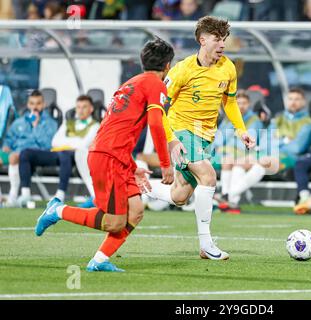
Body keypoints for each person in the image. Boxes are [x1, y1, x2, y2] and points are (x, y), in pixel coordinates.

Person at [34, 38, 185, 272]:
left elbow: (117, 127)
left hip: (114, 154)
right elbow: (156, 123)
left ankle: (100, 260)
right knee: (113, 222)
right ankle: (57, 210)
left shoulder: (131, 83)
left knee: (135, 212)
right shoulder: (156, 85)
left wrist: (132, 165)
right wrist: (166, 164)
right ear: (168, 66)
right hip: (108, 157)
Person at [146, 16, 256, 260]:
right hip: (181, 131)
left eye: (224, 39)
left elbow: (230, 100)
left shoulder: (228, 67)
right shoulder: (182, 70)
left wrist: (241, 129)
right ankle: (206, 245)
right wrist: (171, 139)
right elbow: (159, 105)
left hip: (206, 136)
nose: (222, 45)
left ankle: (134, 186)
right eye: (217, 39)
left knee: (179, 196)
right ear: (202, 39)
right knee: (208, 175)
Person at [217, 87, 311, 214]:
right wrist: (284, 140)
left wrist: (276, 143)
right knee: (239, 163)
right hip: (267, 153)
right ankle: (233, 203)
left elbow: (297, 147)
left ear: (303, 102)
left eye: (297, 99)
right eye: (290, 99)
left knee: (262, 161)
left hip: (289, 157)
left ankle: (227, 196)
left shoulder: (308, 122)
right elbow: (264, 143)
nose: (293, 102)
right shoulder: (278, 119)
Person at [18, 95, 100, 205]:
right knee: (25, 153)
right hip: (58, 153)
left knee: (65, 154)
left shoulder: (96, 126)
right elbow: (55, 141)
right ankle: (25, 195)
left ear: (91, 109)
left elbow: (83, 145)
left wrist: (66, 140)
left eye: (84, 107)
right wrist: (74, 141)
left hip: (76, 156)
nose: (80, 110)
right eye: (78, 107)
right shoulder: (68, 123)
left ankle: (60, 194)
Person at [0, 90, 58, 207]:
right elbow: (9, 138)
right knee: (8, 156)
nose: (35, 107)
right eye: (32, 103)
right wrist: (6, 146)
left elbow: (47, 145)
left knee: (14, 157)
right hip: (14, 152)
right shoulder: (20, 121)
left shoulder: (50, 123)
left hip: (33, 154)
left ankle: (13, 196)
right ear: (28, 105)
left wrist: (36, 126)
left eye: (38, 103)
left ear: (44, 105)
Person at [213, 89, 264, 214]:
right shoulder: (228, 119)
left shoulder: (254, 120)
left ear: (249, 104)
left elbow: (248, 142)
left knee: (234, 164)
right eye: (238, 103)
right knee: (233, 165)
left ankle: (226, 196)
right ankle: (232, 202)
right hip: (225, 154)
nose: (241, 106)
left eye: (244, 103)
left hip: (245, 154)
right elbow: (218, 139)